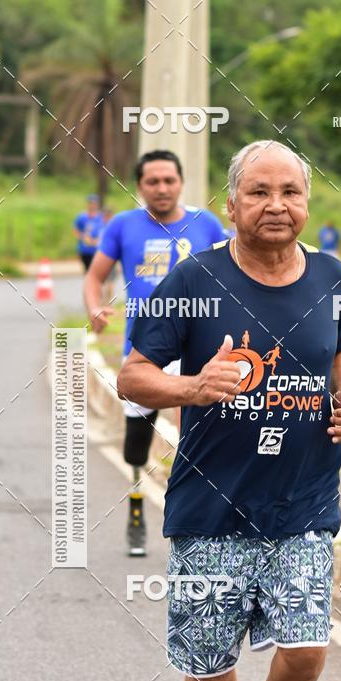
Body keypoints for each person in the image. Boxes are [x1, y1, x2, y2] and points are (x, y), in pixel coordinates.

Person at [118, 140, 341, 681]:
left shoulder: (330, 274)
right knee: (208, 656)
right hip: (211, 507)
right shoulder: (195, 280)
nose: (276, 206)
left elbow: (340, 354)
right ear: (231, 204)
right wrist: (193, 386)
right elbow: (133, 373)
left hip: (304, 500)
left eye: (289, 192)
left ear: (307, 203)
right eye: (258, 192)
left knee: (307, 646)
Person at [84, 150, 226, 556]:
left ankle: (195, 513)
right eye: (152, 181)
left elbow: (235, 270)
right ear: (140, 186)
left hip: (199, 345)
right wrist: (95, 306)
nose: (162, 188)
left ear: (181, 182)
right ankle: (135, 504)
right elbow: (95, 277)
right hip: (144, 351)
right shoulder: (122, 226)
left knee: (195, 430)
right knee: (136, 442)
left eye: (169, 180)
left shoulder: (207, 223)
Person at [74, 195, 103, 271]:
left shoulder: (101, 216)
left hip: (98, 249)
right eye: (91, 203)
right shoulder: (82, 217)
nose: (92, 205)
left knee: (97, 271)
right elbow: (75, 230)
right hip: (85, 249)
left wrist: (99, 239)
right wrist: (83, 237)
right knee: (88, 271)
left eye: (94, 203)